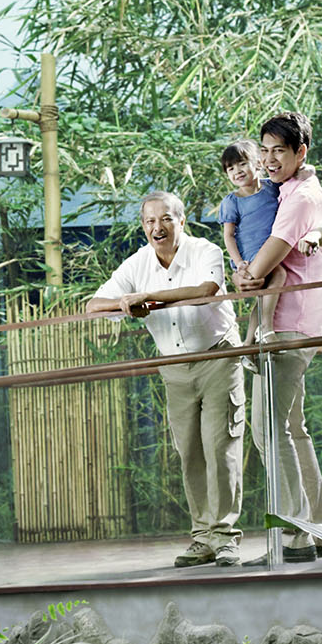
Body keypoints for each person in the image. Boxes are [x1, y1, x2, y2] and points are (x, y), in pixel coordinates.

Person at [85, 190, 247, 568]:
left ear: (181, 220)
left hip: (217, 357)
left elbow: (205, 291)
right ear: (143, 226)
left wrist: (148, 298)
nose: (157, 227)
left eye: (165, 219)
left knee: (219, 446)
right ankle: (202, 538)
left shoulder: (205, 250)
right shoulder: (137, 263)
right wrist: (127, 304)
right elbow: (94, 306)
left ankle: (225, 538)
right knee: (189, 451)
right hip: (173, 368)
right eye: (149, 221)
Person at [234, 111, 322, 563]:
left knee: (268, 430)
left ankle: (294, 537)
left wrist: (245, 274)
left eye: (281, 150)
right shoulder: (304, 189)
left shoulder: (297, 200)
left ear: (301, 152)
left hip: (286, 326)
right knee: (292, 430)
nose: (271, 159)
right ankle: (320, 532)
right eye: (266, 150)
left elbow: (261, 267)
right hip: (305, 324)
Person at [215, 140, 284, 344]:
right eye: (230, 168)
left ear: (259, 164)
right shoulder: (232, 201)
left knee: (263, 297)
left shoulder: (273, 188)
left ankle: (248, 343)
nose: (237, 171)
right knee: (279, 274)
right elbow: (228, 235)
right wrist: (238, 263)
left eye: (242, 163)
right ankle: (266, 328)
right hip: (250, 254)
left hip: (271, 248)